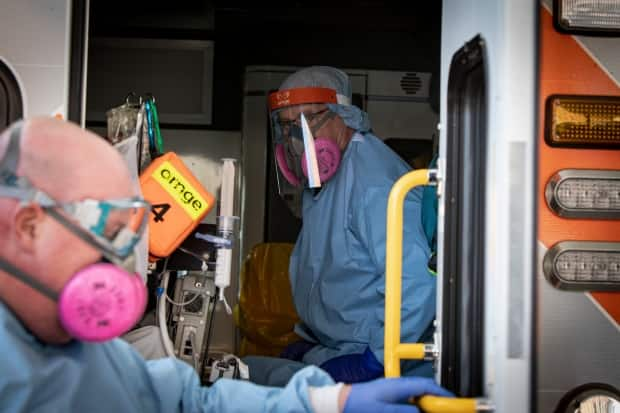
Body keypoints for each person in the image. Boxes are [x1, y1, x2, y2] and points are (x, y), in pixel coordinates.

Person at [0, 118, 451, 412]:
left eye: (125, 237)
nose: (118, 265)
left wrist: (330, 401)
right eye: (105, 231)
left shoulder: (91, 352)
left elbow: (187, 404)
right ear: (28, 224)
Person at [244, 66, 437, 386]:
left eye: (306, 122)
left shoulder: (374, 182)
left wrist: (376, 358)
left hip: (371, 358)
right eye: (287, 126)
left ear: (342, 115)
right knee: (246, 373)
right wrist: (312, 338)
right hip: (335, 347)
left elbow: (416, 283)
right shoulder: (326, 180)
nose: (295, 140)